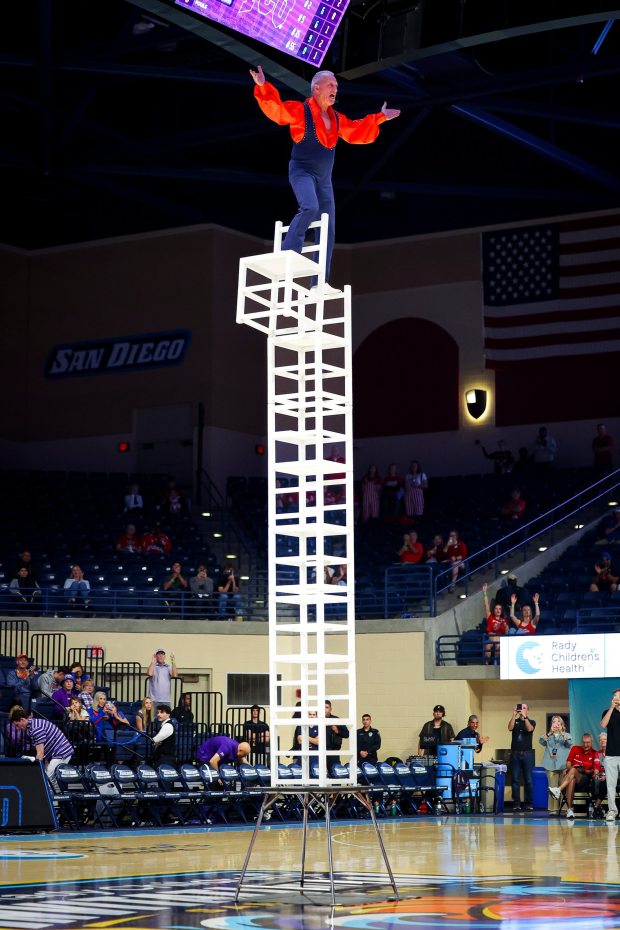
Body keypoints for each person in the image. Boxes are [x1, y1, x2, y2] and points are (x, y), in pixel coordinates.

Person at [250, 66, 400, 282]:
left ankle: (319, 281)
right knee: (310, 206)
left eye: (336, 87)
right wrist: (263, 86)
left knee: (328, 227)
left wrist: (380, 118)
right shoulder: (301, 111)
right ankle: (288, 254)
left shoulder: (336, 118)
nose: (335, 90)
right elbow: (278, 110)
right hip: (302, 172)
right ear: (316, 88)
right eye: (331, 85)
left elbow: (356, 131)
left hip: (324, 181)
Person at [10, 707, 74, 790]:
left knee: (47, 778)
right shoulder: (32, 726)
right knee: (50, 778)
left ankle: (55, 801)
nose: (17, 728)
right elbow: (46, 748)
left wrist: (36, 771)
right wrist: (46, 765)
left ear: (22, 720)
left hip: (62, 752)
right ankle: (57, 800)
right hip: (56, 753)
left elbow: (40, 753)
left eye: (17, 725)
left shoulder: (35, 729)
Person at [548, 732, 600, 819]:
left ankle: (559, 789)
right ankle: (570, 810)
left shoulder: (595, 753)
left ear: (592, 742)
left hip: (584, 779)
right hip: (570, 777)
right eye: (584, 742)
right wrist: (574, 768)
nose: (586, 744)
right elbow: (568, 764)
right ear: (581, 742)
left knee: (573, 771)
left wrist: (584, 770)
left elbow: (593, 771)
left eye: (588, 742)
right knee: (572, 777)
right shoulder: (575, 748)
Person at [539, 715, 572, 812]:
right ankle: (553, 809)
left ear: (561, 724)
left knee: (562, 787)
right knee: (552, 787)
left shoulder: (567, 735)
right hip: (550, 764)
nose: (556, 724)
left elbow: (569, 743)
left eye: (558, 722)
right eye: (554, 722)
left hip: (563, 765)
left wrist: (561, 733)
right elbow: (541, 741)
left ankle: (565, 808)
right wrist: (550, 733)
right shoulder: (548, 736)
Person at [508, 702, 536, 813]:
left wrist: (525, 718)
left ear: (527, 710)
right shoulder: (515, 721)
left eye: (524, 708)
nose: (522, 710)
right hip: (515, 754)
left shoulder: (531, 721)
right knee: (515, 779)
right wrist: (514, 715)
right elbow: (510, 727)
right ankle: (516, 804)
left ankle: (529, 804)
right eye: (520, 708)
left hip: (527, 754)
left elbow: (529, 729)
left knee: (528, 780)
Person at [600, 688, 620, 822]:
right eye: (615, 696)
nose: (616, 698)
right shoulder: (607, 712)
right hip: (611, 754)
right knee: (611, 785)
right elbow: (603, 725)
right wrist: (612, 708)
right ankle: (612, 810)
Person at [482, 583, 509, 664]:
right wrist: (484, 592)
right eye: (496, 608)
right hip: (491, 638)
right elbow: (486, 605)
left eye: (499, 609)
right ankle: (487, 664)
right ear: (494, 610)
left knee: (498, 647)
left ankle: (497, 665)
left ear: (501, 611)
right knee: (487, 646)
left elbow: (506, 632)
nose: (497, 610)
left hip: (500, 640)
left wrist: (506, 627)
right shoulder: (490, 618)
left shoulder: (504, 620)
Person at [324, 700, 349, 766]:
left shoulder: (336, 719)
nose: (324, 709)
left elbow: (347, 734)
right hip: (319, 751)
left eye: (326, 707)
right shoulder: (316, 720)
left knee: (334, 771)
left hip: (333, 752)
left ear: (330, 709)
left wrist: (337, 731)